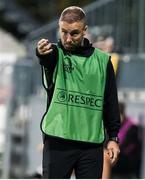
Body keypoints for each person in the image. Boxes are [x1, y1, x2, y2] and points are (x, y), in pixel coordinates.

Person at [36, 6, 121, 179]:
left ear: (84, 31)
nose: (67, 38)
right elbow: (46, 57)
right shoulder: (55, 54)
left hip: (90, 145)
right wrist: (40, 52)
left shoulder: (103, 61)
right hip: (58, 141)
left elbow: (110, 101)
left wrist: (113, 137)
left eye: (74, 33)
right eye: (63, 32)